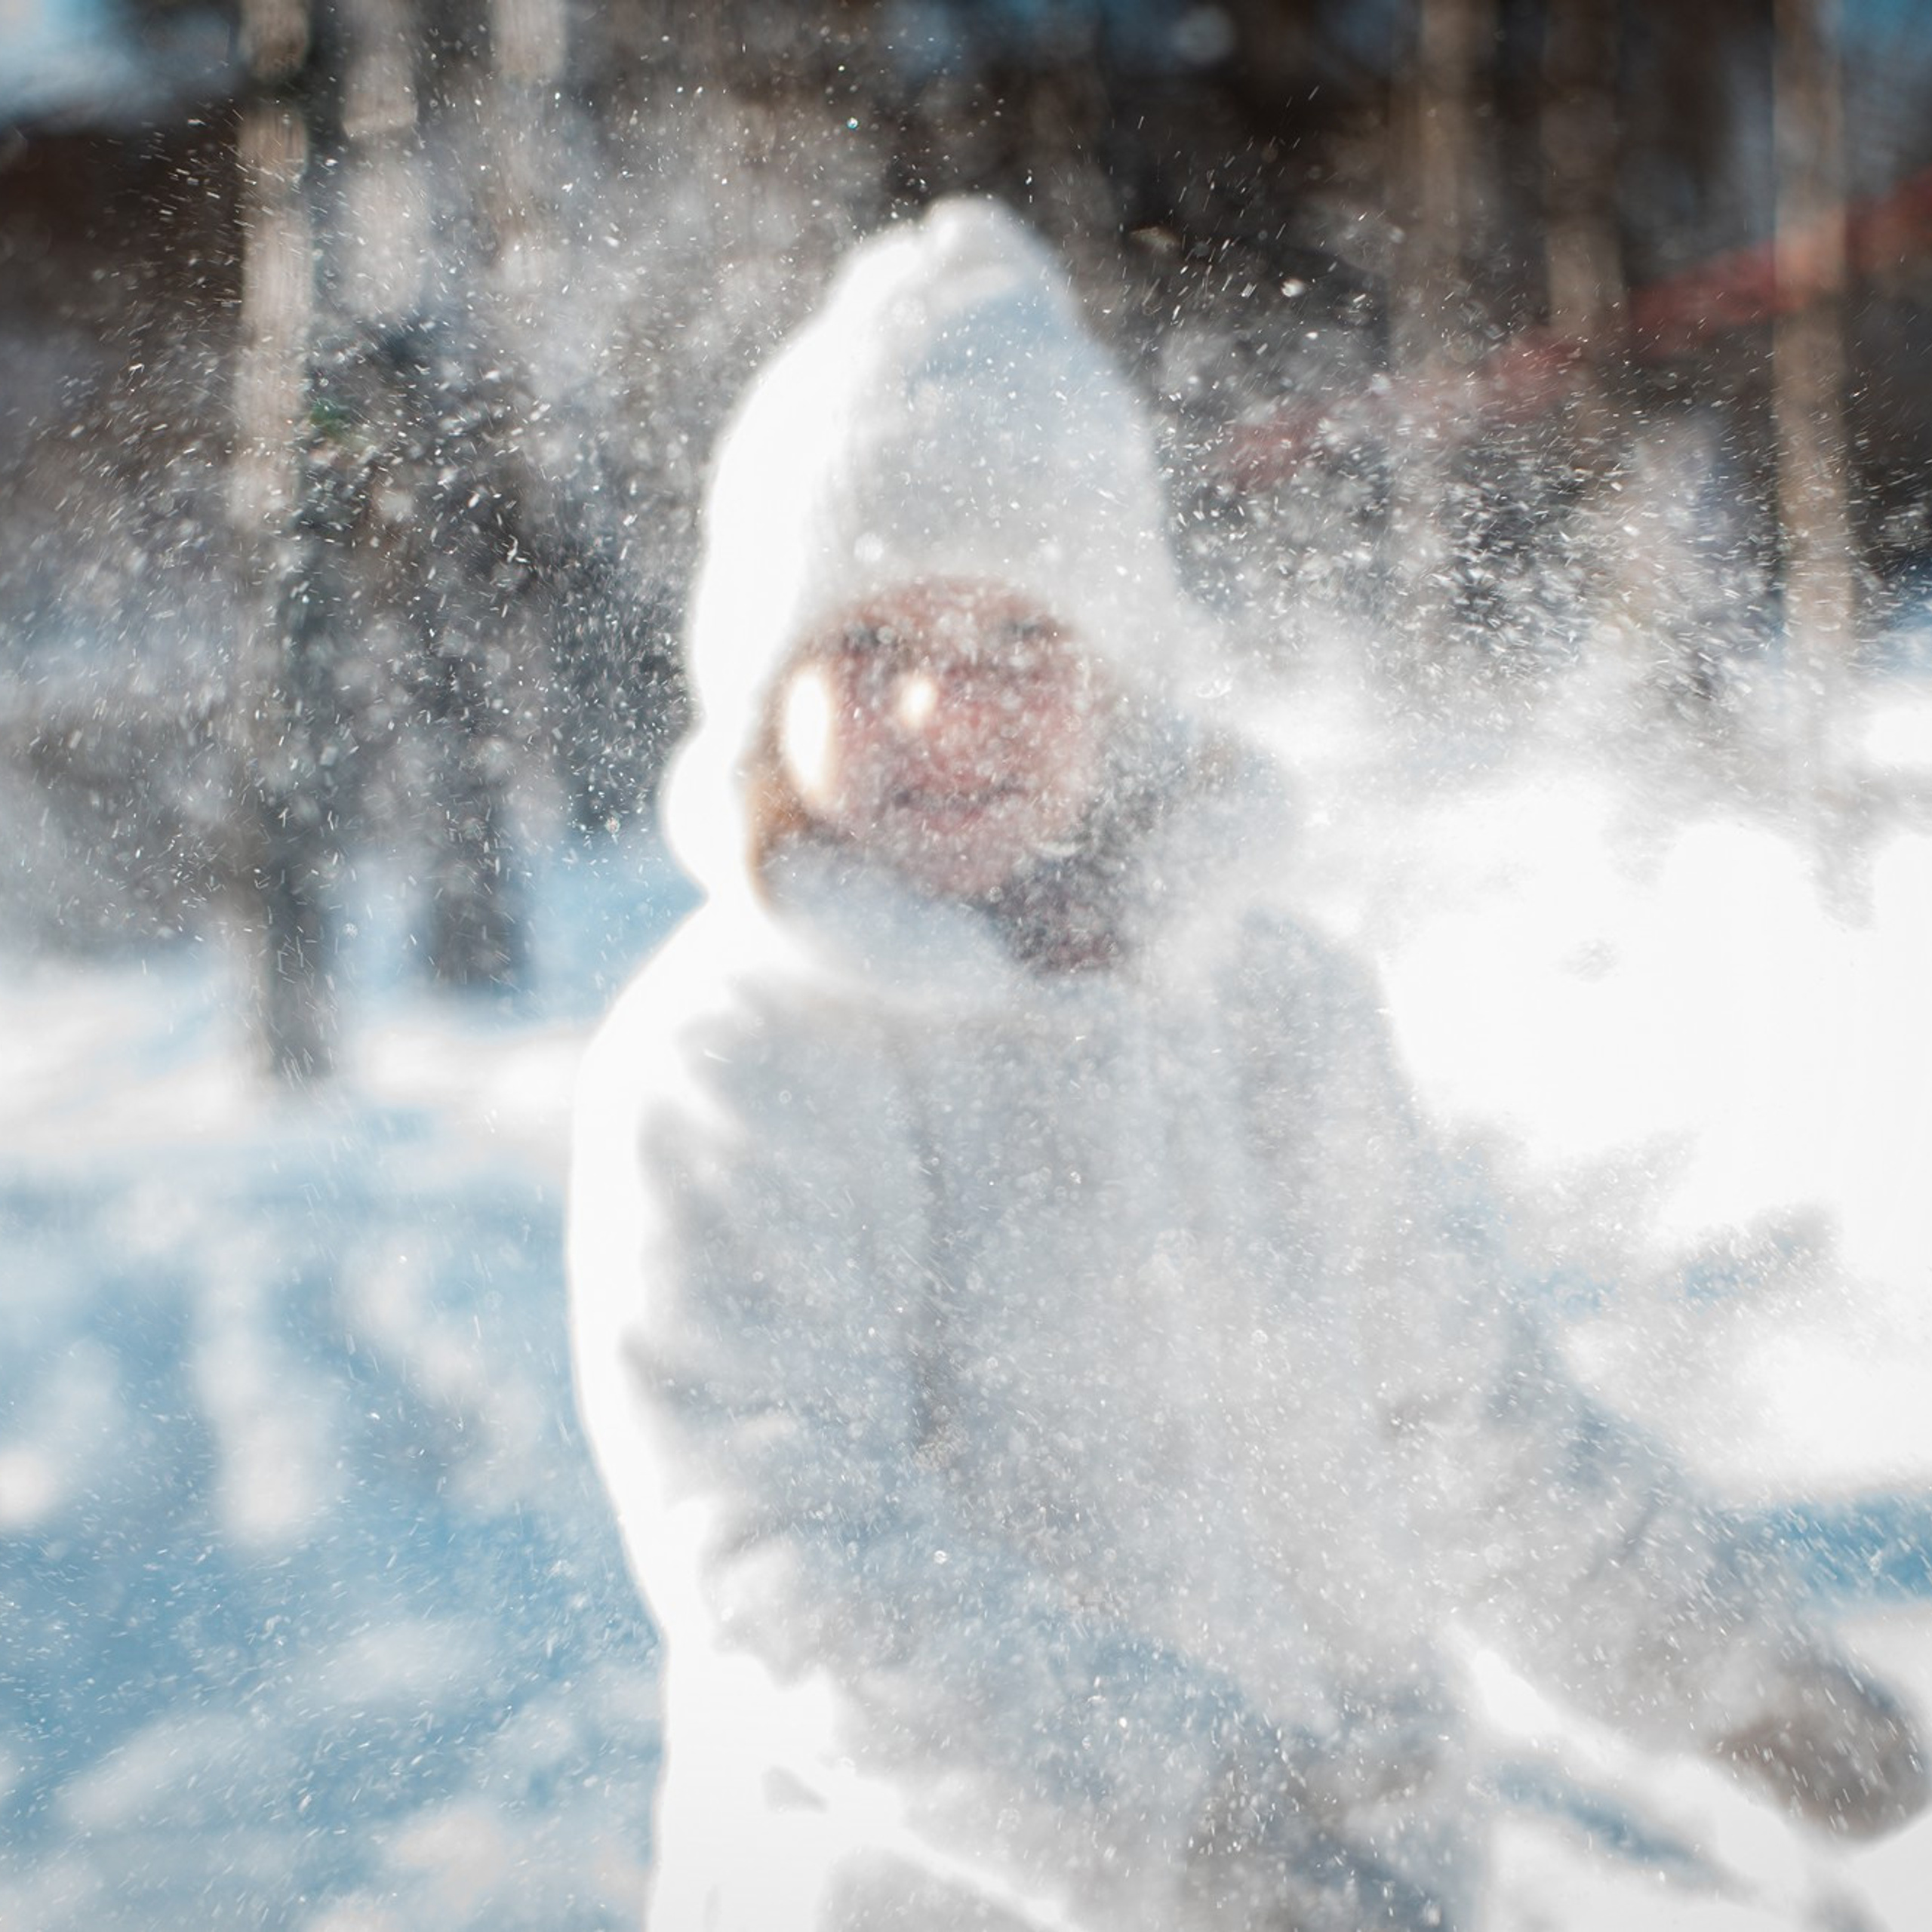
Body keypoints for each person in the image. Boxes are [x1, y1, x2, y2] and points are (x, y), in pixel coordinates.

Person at [568, 198, 1925, 1931]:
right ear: (761, 691)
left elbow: (1459, 1416)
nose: (940, 708)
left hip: (1367, 1866)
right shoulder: (737, 1060)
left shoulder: (1263, 1008)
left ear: (1122, 681)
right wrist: (1191, 1842)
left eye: (1019, 642)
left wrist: (1729, 1669)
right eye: (871, 645)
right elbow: (787, 1555)